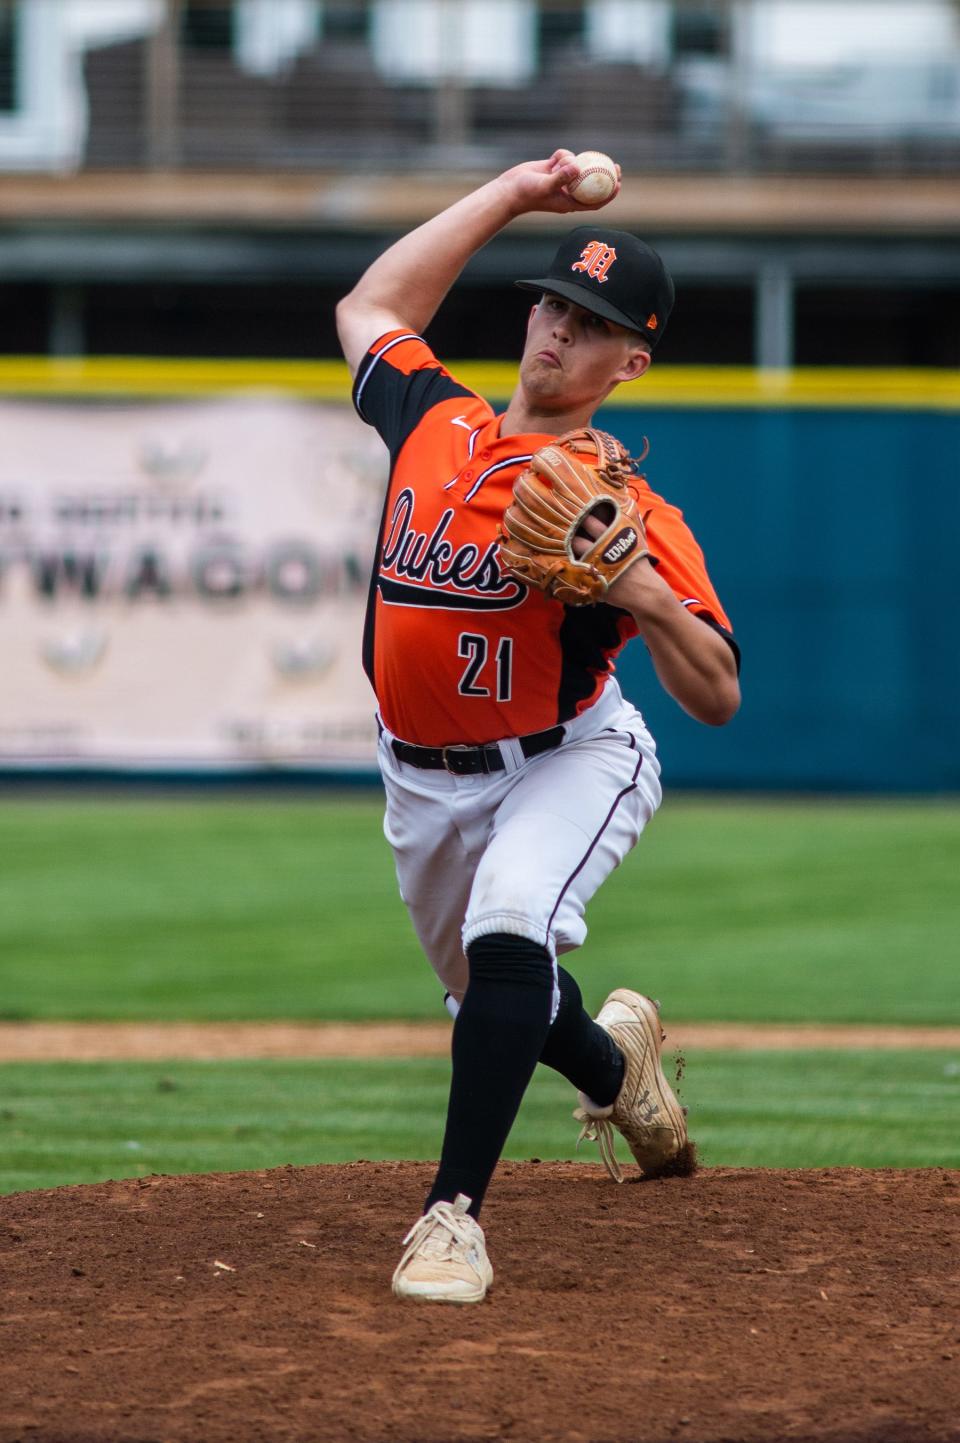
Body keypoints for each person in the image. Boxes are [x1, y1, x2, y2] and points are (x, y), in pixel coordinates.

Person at [336, 150, 740, 1305]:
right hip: (417, 780)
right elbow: (369, 306)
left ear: (633, 361)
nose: (560, 331)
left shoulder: (628, 512)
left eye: (593, 321)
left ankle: (451, 1219)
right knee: (495, 999)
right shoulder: (436, 422)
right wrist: (513, 193)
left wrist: (644, 594)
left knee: (514, 926)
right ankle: (625, 1075)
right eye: (555, 305)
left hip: (566, 759)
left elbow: (716, 692)